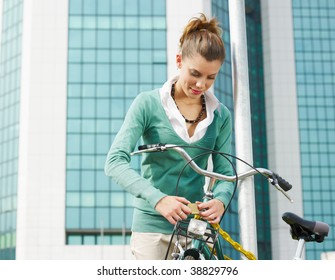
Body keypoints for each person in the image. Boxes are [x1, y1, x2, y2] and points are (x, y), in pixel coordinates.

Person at [104, 13, 234, 260]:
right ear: (179, 61)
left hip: (195, 227)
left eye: (210, 77)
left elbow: (225, 173)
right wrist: (158, 199)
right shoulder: (147, 104)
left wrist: (221, 200)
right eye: (195, 73)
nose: (201, 84)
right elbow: (114, 163)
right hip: (152, 226)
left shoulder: (221, 115)